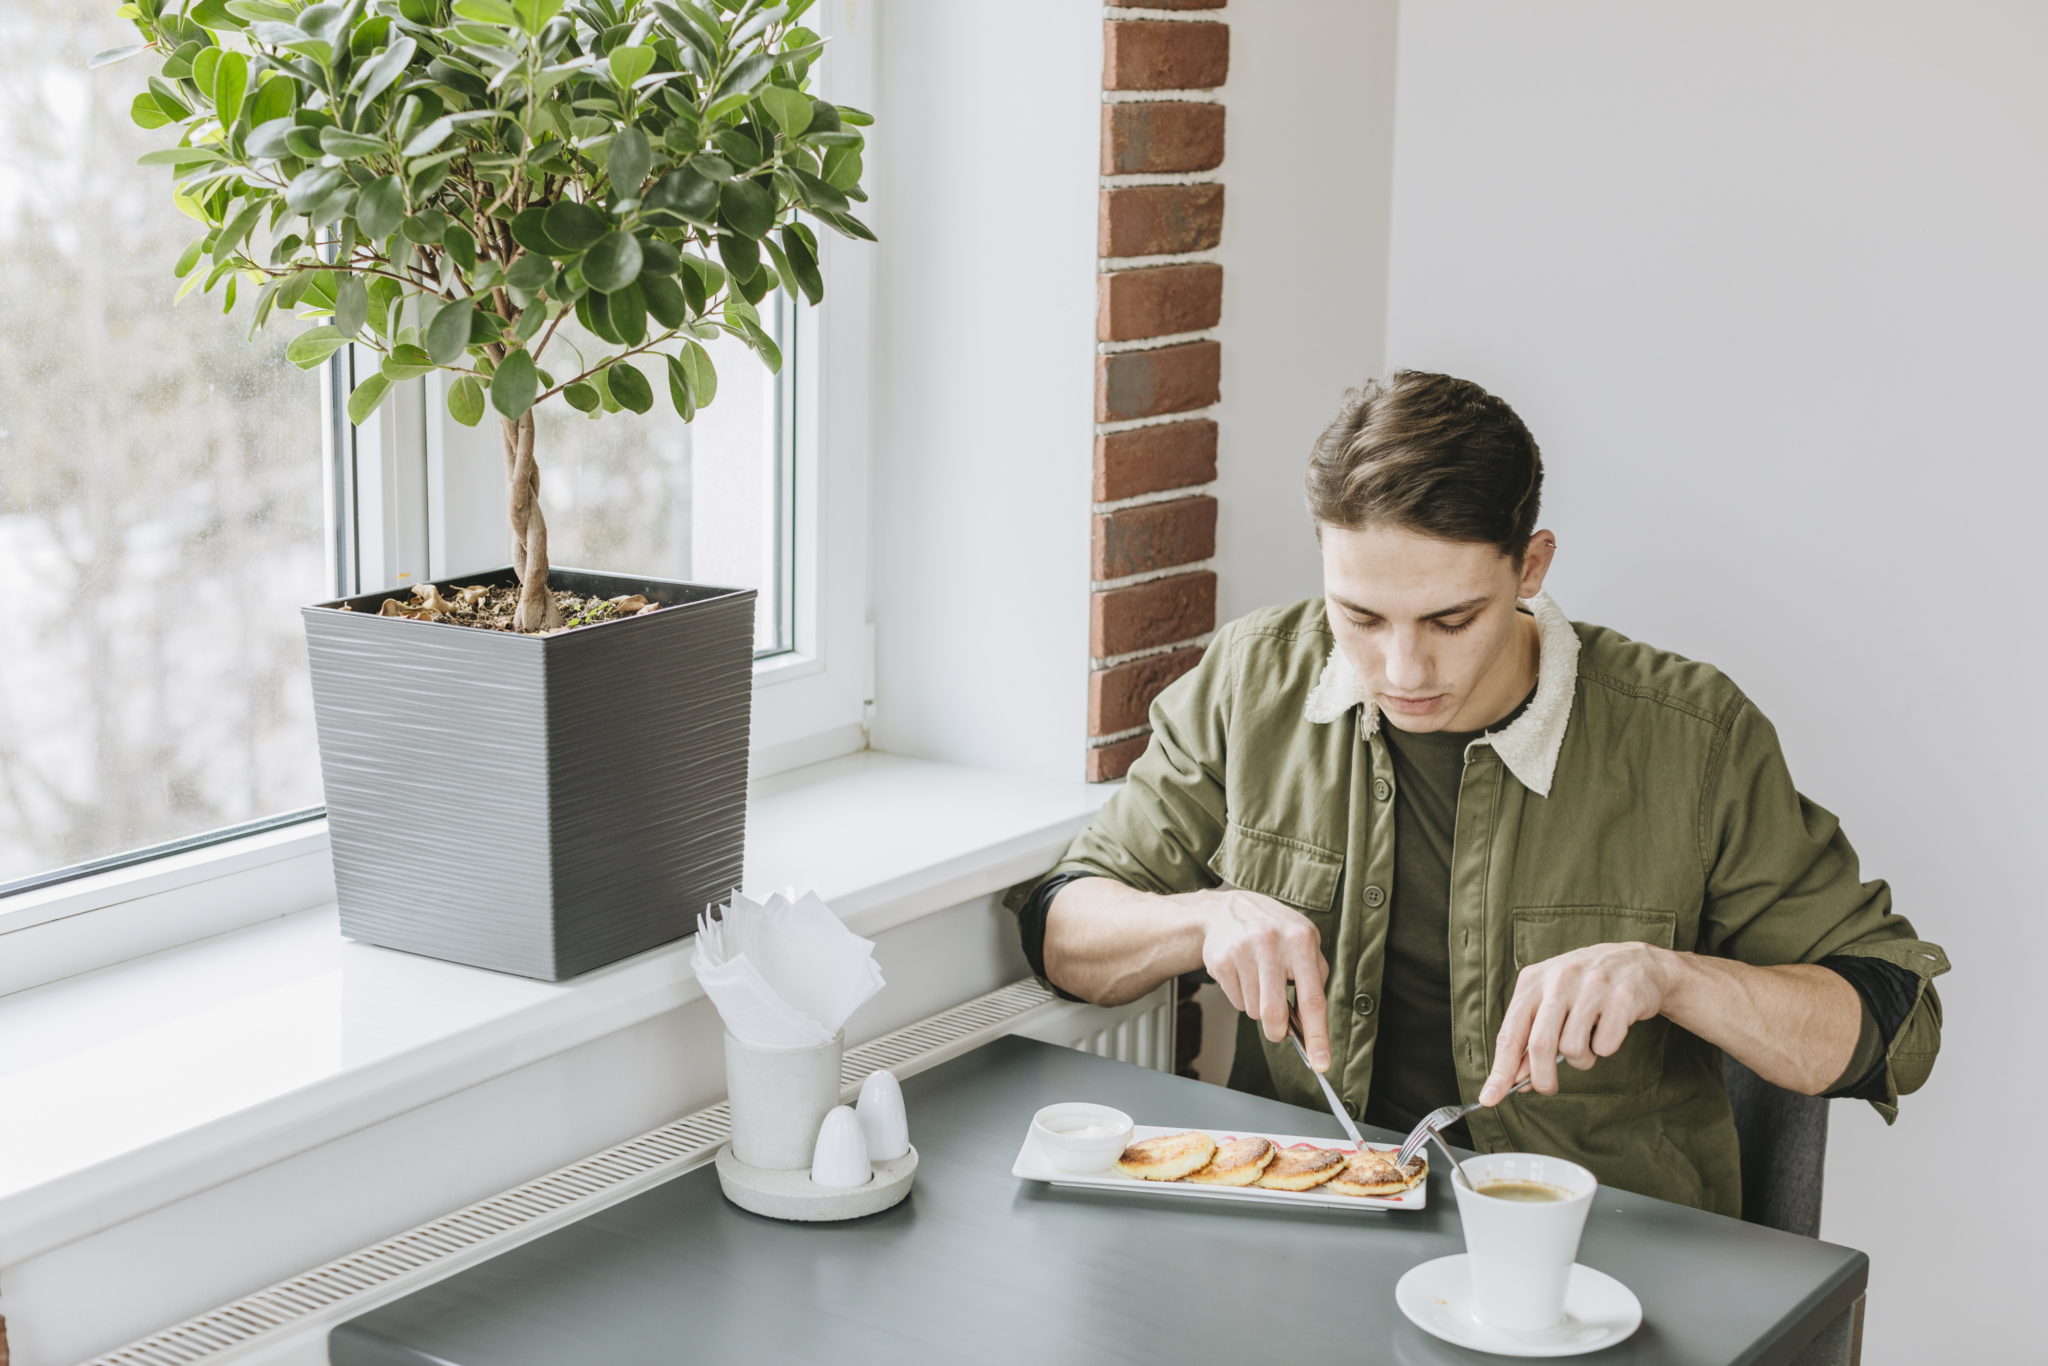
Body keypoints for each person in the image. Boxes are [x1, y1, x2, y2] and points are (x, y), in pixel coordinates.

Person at [1004, 371, 1947, 1216]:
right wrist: (1201, 919)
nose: (1402, 667)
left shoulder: (1691, 737)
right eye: (1359, 617)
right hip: (1312, 1221)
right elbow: (1062, 930)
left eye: (1451, 619)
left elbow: (1892, 1021)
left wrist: (1671, 977)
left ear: (1529, 568)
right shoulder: (1254, 681)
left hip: (1602, 1246)